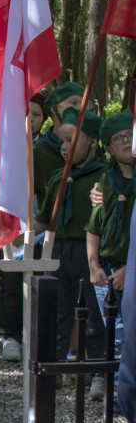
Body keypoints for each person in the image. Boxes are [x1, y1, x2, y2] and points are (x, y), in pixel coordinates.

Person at [33, 107, 107, 379]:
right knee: (56, 312)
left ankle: (99, 371)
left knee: (96, 315)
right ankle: (53, 369)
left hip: (89, 252)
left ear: (93, 142)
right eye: (62, 141)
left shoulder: (104, 177)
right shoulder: (57, 178)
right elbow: (43, 220)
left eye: (72, 140)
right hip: (57, 251)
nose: (65, 147)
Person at [0, 92, 49, 362]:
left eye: (36, 114)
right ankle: (11, 335)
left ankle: (36, 334)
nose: (30, 120)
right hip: (12, 224)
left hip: (42, 225)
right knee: (12, 281)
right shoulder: (5, 144)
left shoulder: (51, 149)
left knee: (40, 280)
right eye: (25, 115)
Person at [84, 111, 133, 398]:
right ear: (109, 148)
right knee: (114, 336)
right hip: (109, 269)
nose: (126, 141)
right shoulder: (105, 181)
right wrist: (92, 265)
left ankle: (128, 393)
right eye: (118, 138)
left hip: (132, 268)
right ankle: (116, 392)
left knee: (131, 336)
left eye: (130, 135)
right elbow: (94, 226)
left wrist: (133, 268)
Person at [33, 83, 83, 208]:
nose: (80, 109)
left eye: (84, 104)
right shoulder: (39, 151)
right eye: (74, 103)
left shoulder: (91, 145)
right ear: (53, 108)